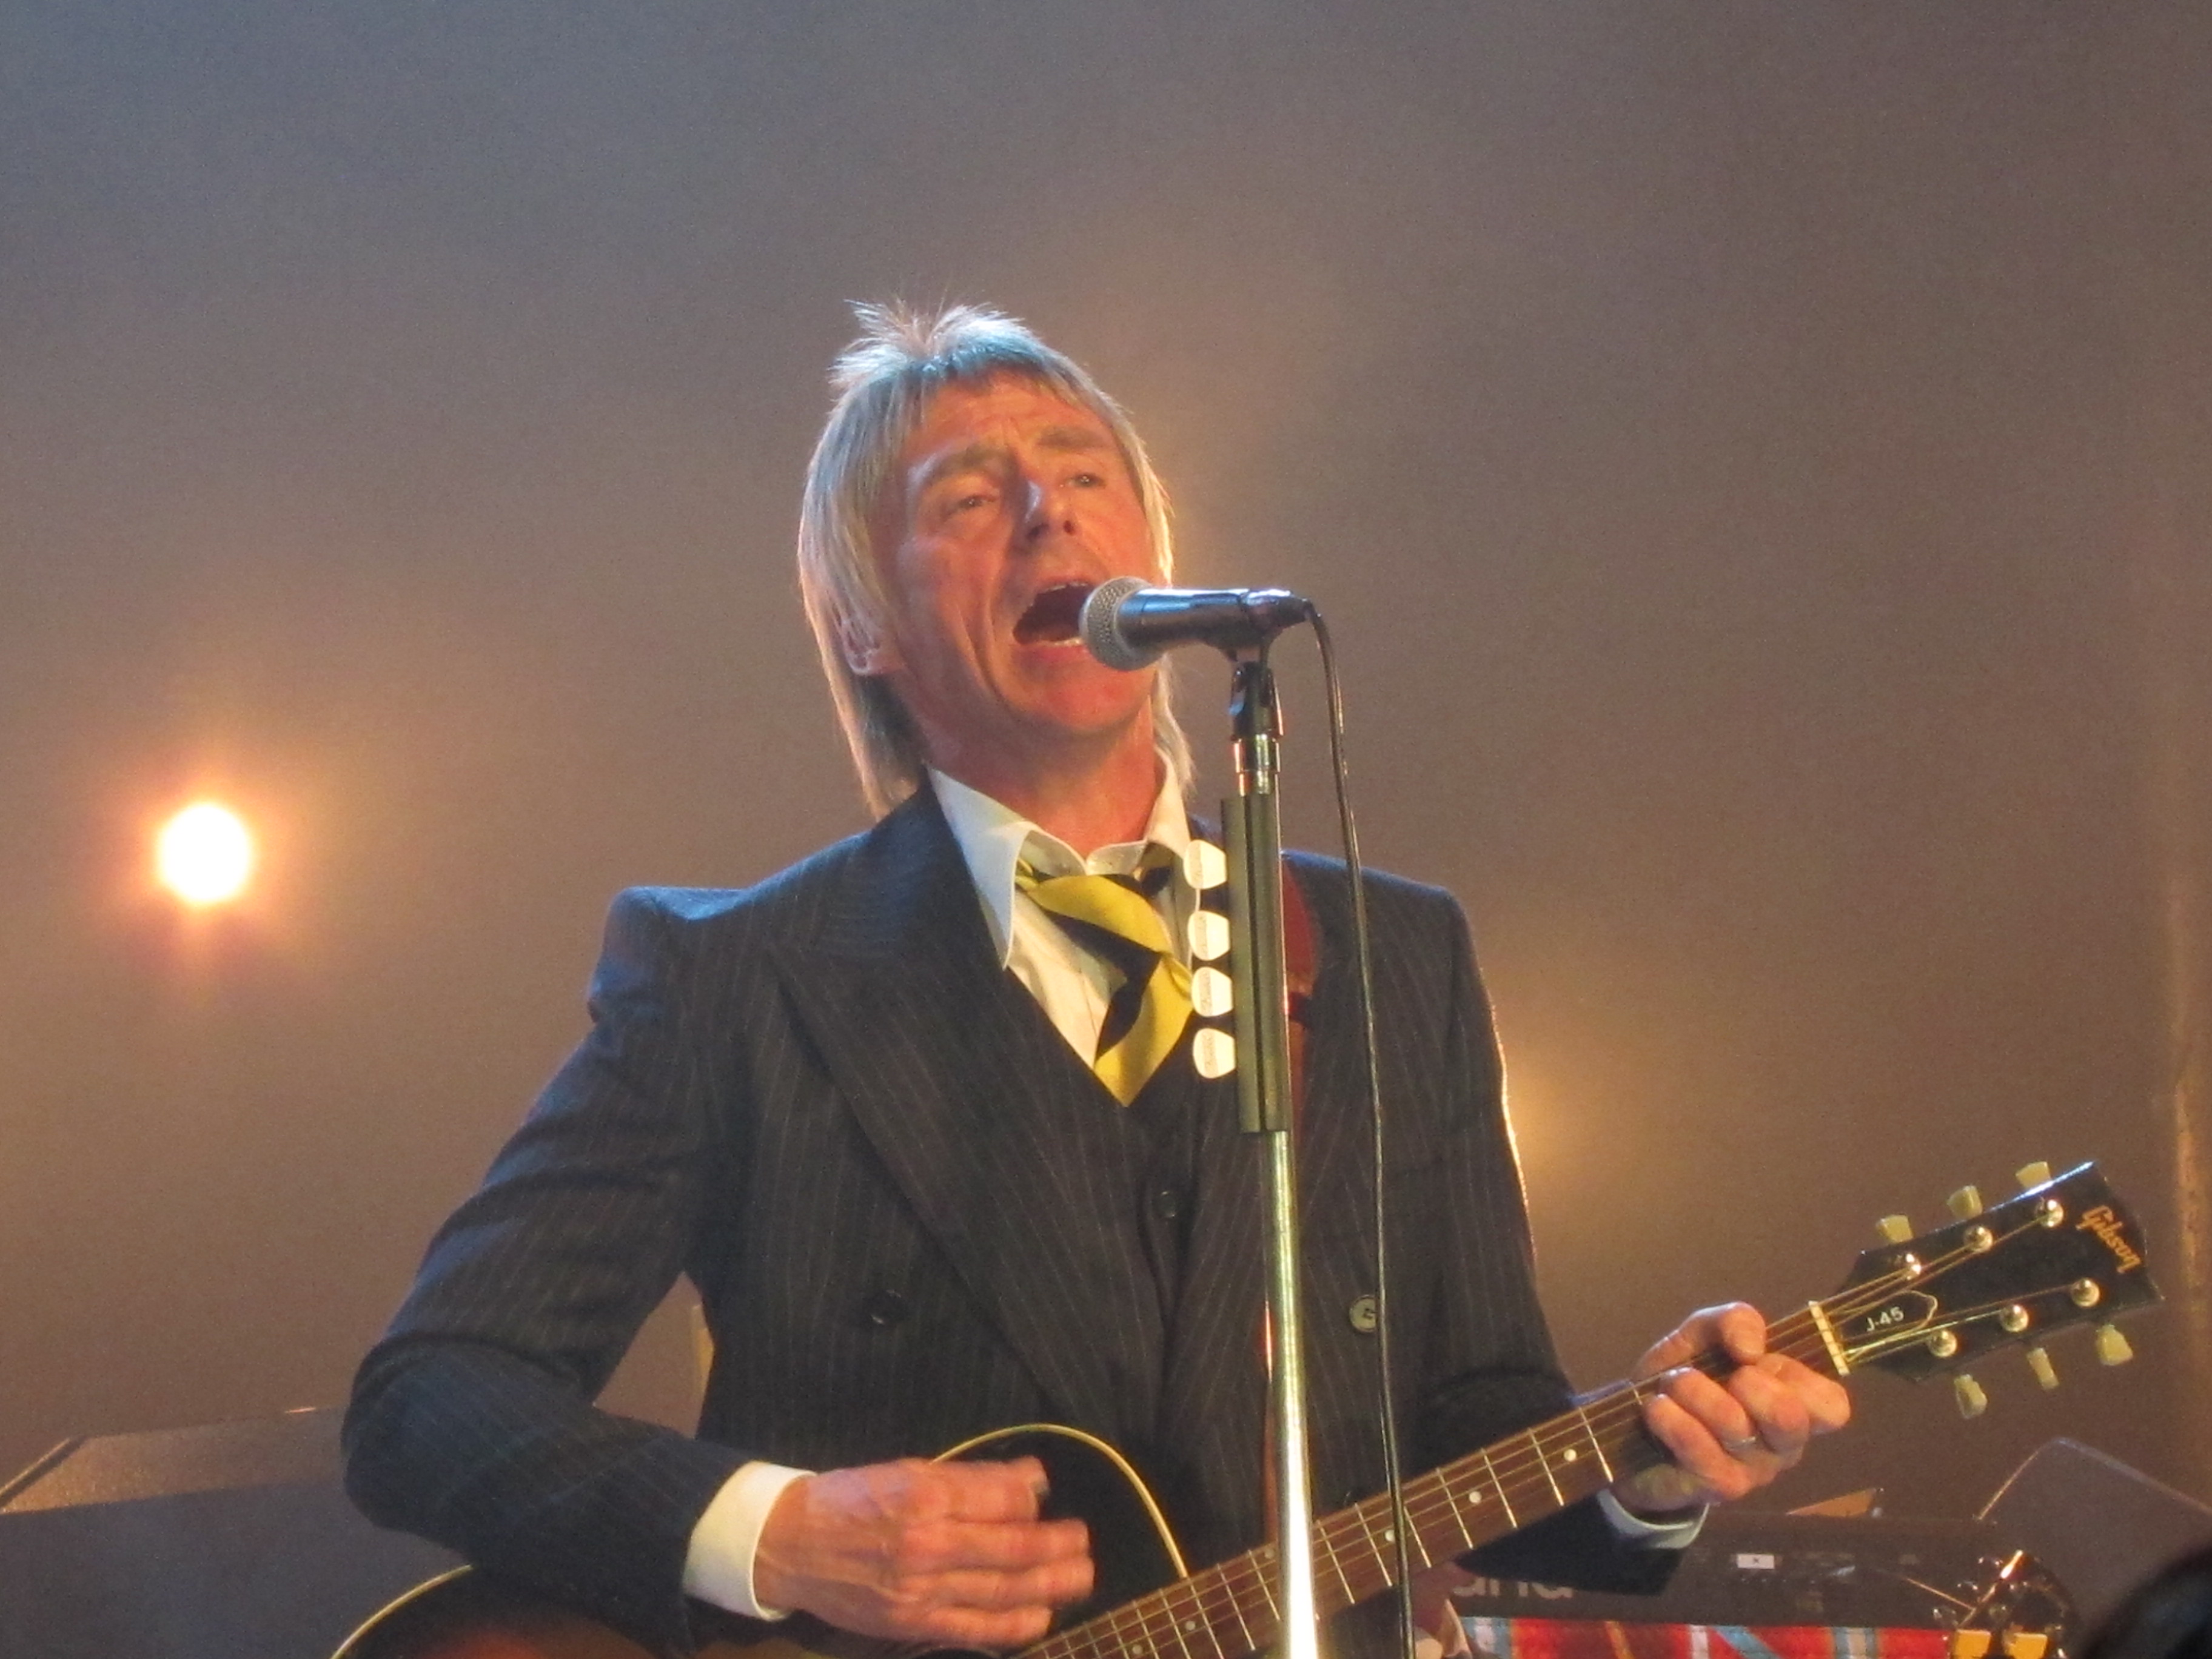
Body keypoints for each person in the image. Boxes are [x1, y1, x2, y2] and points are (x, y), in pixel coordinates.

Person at [342, 304, 1851, 1659]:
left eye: (1084, 474)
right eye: (969, 496)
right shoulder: (735, 978)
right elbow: (432, 1397)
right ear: (863, 626)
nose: (1046, 511)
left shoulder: (1395, 956)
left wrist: (1650, 1466)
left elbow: (1474, 1426)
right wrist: (779, 1534)